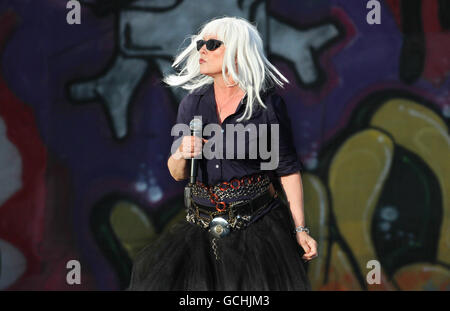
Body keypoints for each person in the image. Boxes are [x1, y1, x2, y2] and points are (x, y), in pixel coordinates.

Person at [127, 16, 318, 291]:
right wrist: (182, 152)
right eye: (200, 44)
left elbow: (287, 169)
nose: (202, 50)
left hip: (258, 227)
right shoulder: (192, 103)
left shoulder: (266, 105)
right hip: (201, 229)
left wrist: (301, 230)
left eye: (213, 44)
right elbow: (177, 172)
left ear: (239, 52)